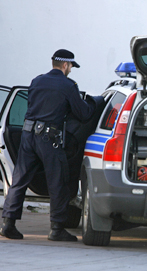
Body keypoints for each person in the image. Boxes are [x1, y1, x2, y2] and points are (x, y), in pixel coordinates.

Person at [0, 49, 104, 241]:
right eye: (71, 66)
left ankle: (8, 224)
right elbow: (82, 113)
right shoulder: (68, 85)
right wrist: (94, 103)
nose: (71, 69)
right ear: (65, 65)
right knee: (58, 182)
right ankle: (56, 228)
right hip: (48, 139)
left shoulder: (36, 81)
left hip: (27, 135)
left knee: (19, 180)